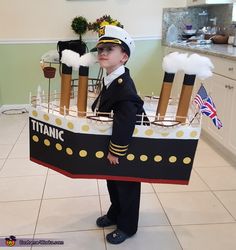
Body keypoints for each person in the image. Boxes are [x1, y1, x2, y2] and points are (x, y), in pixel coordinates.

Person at [91, 25, 148, 245]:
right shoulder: (112, 78)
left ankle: (127, 226)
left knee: (127, 185)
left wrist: (116, 151)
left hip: (126, 145)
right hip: (117, 141)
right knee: (113, 182)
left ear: (124, 57)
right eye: (101, 49)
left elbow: (126, 121)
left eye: (110, 49)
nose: (103, 52)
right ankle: (115, 213)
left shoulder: (123, 87)